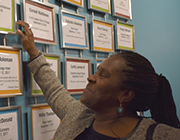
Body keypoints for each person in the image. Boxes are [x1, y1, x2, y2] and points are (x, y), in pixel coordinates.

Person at [17, 20, 180, 140]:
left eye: (103, 75)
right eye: (96, 72)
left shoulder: (162, 136)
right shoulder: (79, 115)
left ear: (125, 94)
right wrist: (33, 53)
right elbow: (54, 90)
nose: (90, 78)